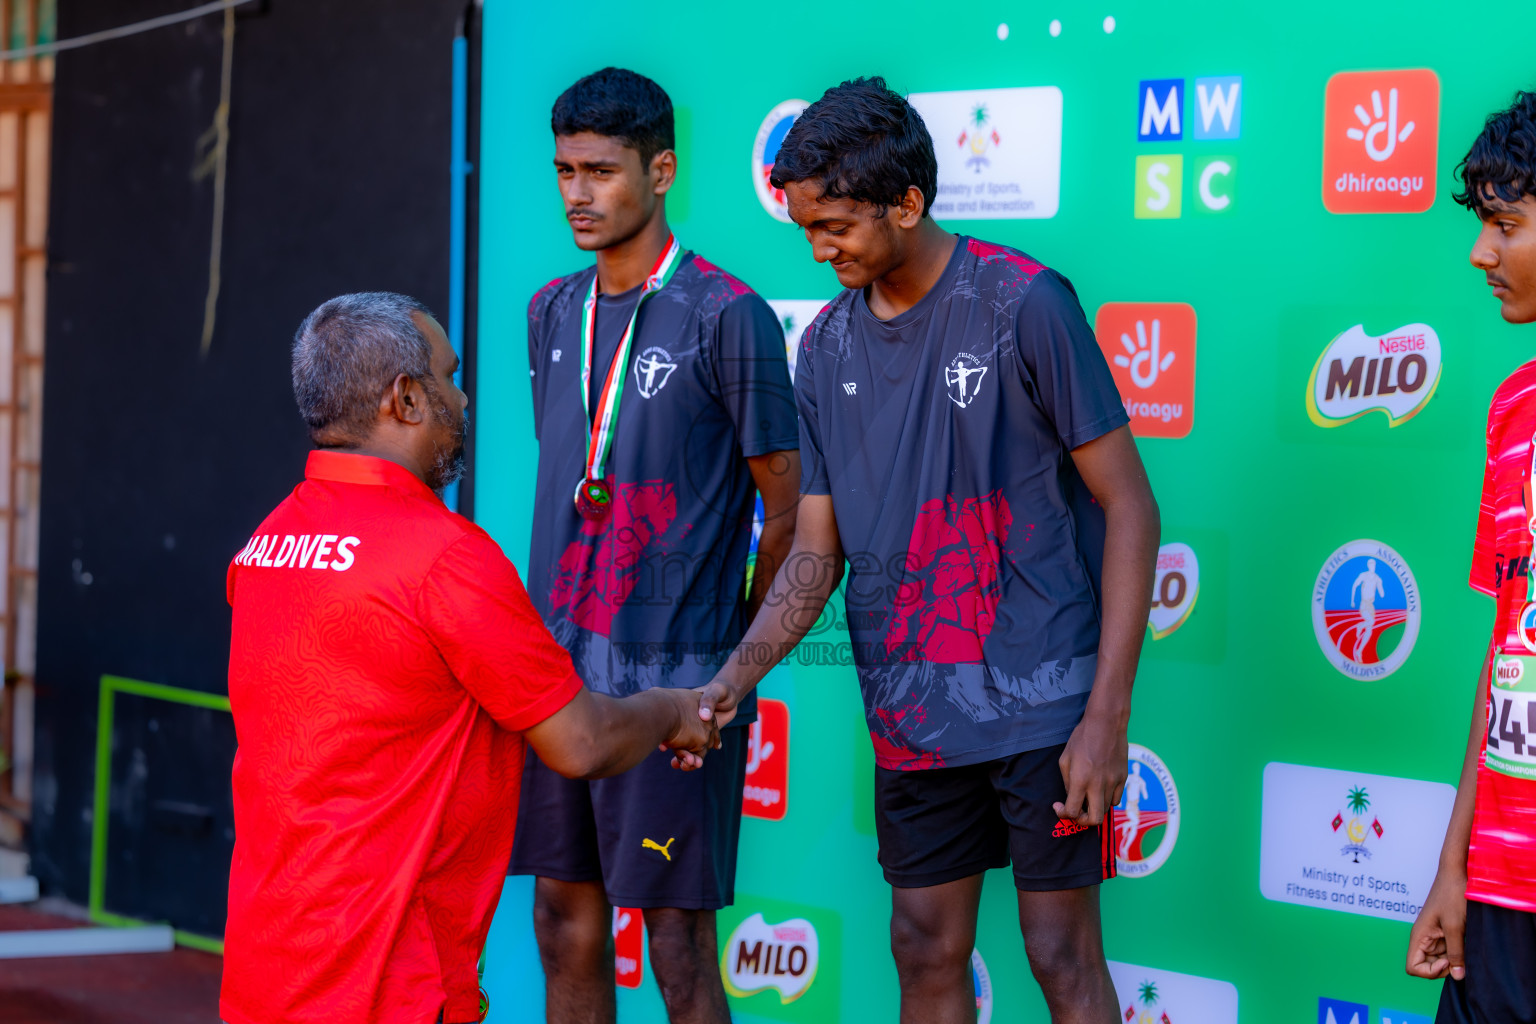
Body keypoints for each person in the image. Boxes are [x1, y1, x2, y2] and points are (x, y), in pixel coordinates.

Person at [694, 77, 1161, 1024]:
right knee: (922, 947)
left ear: (907, 203)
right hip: (912, 711)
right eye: (806, 229)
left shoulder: (1024, 302)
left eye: (835, 227)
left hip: (1045, 705)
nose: (818, 249)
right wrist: (731, 681)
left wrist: (1105, 716)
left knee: (1060, 953)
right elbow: (815, 551)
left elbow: (1132, 507)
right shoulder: (823, 347)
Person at [219, 293, 719, 1024]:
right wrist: (673, 709)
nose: (462, 399)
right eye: (450, 378)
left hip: (264, 974)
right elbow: (580, 742)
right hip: (388, 988)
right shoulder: (446, 559)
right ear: (406, 399)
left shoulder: (265, 544)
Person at [509, 68, 801, 1024]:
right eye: (565, 171)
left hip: (673, 684)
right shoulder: (551, 310)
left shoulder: (729, 315)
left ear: (661, 170)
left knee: (677, 944)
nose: (577, 194)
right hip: (558, 678)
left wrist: (730, 665)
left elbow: (787, 514)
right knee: (562, 921)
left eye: (600, 171)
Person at [1408, 90, 1536, 1023]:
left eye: (1507, 226)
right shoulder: (1513, 410)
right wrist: (1453, 866)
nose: (1479, 253)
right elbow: (1506, 657)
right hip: (1500, 890)